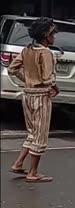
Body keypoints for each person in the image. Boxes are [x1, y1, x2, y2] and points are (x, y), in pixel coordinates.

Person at [8, 17, 59, 182]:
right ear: (46, 35)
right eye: (53, 34)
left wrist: (27, 80)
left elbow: (12, 69)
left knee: (32, 132)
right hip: (41, 96)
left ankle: (19, 163)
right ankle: (33, 172)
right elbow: (48, 78)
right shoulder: (47, 53)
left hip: (27, 94)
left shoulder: (26, 50)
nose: (55, 37)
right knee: (40, 135)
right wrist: (54, 87)